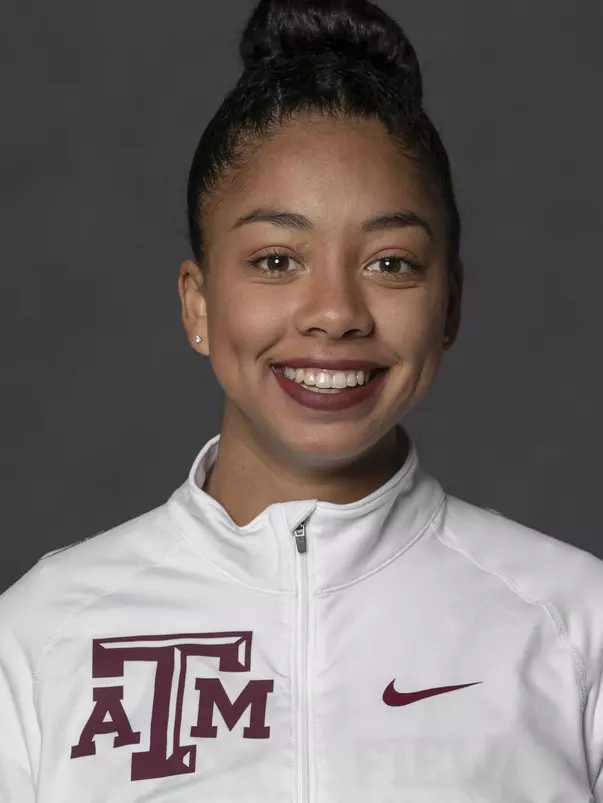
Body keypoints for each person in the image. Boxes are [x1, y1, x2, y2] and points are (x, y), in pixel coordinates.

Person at [1, 0, 602, 800]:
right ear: (197, 304)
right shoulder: (42, 634)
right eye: (277, 259)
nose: (335, 311)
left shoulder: (572, 623)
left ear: (449, 304)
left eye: (391, 263)